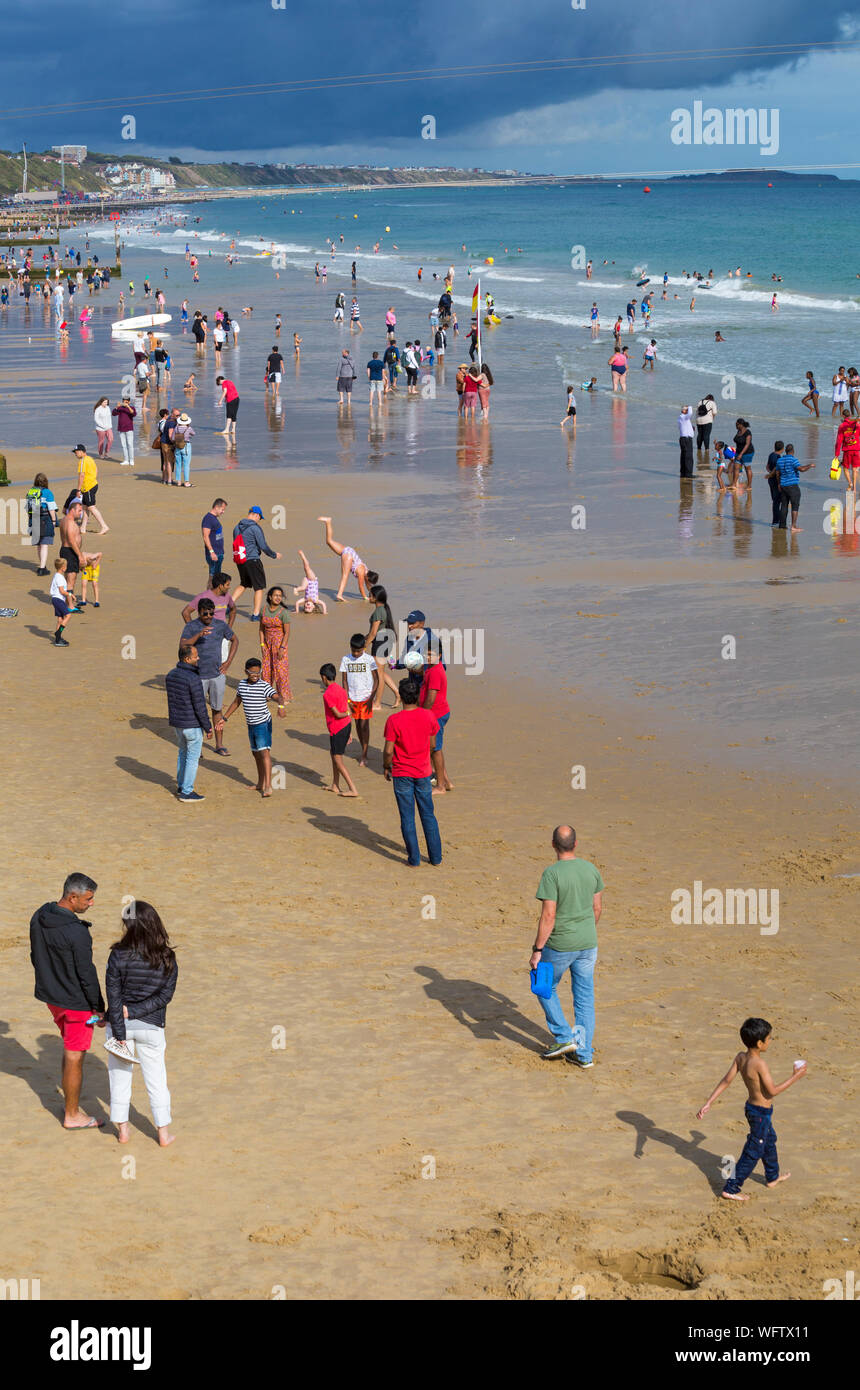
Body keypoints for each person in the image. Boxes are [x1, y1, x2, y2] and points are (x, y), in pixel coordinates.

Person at [696, 1017, 806, 1202]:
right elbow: (772, 1091)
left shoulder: (741, 1057)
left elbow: (726, 1080)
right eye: (769, 1039)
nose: (770, 1041)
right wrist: (796, 1076)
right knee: (753, 1150)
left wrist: (709, 1102)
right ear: (759, 1042)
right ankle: (731, 1188)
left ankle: (772, 1177)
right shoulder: (760, 1064)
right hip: (761, 1114)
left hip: (752, 1109)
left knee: (769, 1140)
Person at [30, 872, 107, 1128]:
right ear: (72, 897)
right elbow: (87, 974)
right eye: (88, 899)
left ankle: (70, 1107)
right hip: (76, 1005)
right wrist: (99, 1009)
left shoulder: (40, 915)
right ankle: (72, 1115)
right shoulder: (77, 933)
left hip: (52, 999)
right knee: (75, 1055)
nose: (91, 903)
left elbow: (35, 955)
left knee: (69, 1046)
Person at [105, 900, 178, 1147]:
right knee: (156, 1078)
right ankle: (163, 1134)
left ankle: (123, 1131)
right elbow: (164, 997)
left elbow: (113, 997)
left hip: (121, 1026)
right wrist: (135, 1011)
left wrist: (119, 1025)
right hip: (152, 1026)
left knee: (119, 1077)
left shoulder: (117, 955)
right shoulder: (167, 956)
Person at [529, 826, 604, 1064]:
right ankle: (583, 1054)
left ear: (553, 845)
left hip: (560, 944)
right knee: (584, 998)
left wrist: (537, 949)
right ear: (576, 843)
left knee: (543, 986)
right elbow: (597, 908)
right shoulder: (591, 869)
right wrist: (586, 932)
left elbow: (548, 916)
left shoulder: (552, 874)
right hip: (588, 943)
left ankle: (564, 1035)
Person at [383, 680, 442, 868]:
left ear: (400, 697)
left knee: (407, 817)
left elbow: (388, 750)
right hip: (423, 772)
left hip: (402, 773)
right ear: (418, 696)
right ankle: (436, 858)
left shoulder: (394, 720)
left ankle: (414, 859)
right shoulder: (428, 716)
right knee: (428, 815)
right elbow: (433, 745)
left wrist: (386, 766)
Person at [216, 657, 286, 797]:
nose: (255, 676)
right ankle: (260, 783)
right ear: (246, 672)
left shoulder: (264, 686)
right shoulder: (241, 685)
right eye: (252, 673)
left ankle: (268, 786)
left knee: (264, 752)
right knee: (255, 753)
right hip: (251, 725)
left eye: (258, 673)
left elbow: (278, 696)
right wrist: (224, 718)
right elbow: (237, 702)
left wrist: (281, 706)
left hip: (262, 723)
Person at [181, 598, 238, 755]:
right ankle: (196, 748)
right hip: (197, 676)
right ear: (199, 613)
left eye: (211, 613)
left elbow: (235, 640)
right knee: (196, 712)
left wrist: (228, 662)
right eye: (205, 613)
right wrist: (198, 635)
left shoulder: (220, 625)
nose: (208, 616)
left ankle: (219, 745)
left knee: (217, 709)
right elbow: (183, 645)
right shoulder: (191, 626)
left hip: (217, 675)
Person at [165, 643, 213, 802]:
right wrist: (208, 727)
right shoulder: (193, 678)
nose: (198, 658)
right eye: (195, 656)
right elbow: (200, 706)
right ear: (187, 659)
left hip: (178, 724)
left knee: (182, 753)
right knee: (192, 758)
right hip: (191, 725)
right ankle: (186, 791)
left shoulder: (170, 675)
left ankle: (181, 785)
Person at [320, 663, 358, 796]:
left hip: (337, 729)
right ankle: (335, 785)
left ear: (324, 678)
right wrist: (349, 731)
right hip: (345, 727)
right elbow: (344, 707)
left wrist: (348, 713)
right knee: (333, 754)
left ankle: (352, 789)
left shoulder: (327, 694)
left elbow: (338, 713)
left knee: (337, 759)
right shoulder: (341, 690)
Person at [340, 633, 379, 766]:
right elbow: (344, 680)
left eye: (358, 651)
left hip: (366, 697)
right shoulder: (345, 659)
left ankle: (364, 754)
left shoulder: (369, 660)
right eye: (353, 651)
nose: (356, 654)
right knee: (357, 723)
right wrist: (347, 699)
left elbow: (377, 680)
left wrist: (371, 699)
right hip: (352, 698)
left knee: (364, 725)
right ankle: (363, 748)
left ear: (364, 648)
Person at [318, 516, 377, 601]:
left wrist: (373, 594)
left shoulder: (367, 572)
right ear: (368, 578)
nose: (368, 583)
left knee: (329, 541)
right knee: (345, 576)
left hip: (348, 551)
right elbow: (361, 587)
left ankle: (328, 522)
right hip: (349, 556)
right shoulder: (362, 572)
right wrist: (365, 598)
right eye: (369, 581)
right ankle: (339, 595)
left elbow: (368, 586)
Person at [419, 645, 453, 794]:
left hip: (436, 715)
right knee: (433, 748)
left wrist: (422, 714)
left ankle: (440, 786)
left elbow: (431, 697)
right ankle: (447, 782)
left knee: (435, 750)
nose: (428, 657)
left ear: (439, 656)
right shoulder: (431, 668)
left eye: (431, 655)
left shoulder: (436, 672)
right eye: (426, 655)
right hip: (435, 714)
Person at [367, 584, 400, 708]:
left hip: (380, 643)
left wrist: (365, 646)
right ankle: (398, 694)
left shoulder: (378, 611)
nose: (368, 597)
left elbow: (373, 633)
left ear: (375, 597)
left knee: (378, 674)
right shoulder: (385, 609)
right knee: (381, 672)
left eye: (370, 595)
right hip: (387, 641)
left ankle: (377, 703)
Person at [259, 585, 292, 705]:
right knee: (267, 669)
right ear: (270, 597)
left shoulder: (284, 613)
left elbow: (287, 632)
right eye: (276, 595)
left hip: (280, 644)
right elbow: (261, 629)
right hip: (267, 644)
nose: (278, 598)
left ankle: (284, 696)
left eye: (280, 596)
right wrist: (262, 645)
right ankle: (267, 694)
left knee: (280, 671)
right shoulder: (263, 610)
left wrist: (282, 648)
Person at [775, 444, 814, 532]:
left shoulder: (779, 460)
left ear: (786, 451)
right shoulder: (793, 460)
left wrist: (779, 484)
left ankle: (782, 525)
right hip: (793, 486)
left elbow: (777, 473)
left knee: (784, 505)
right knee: (795, 506)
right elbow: (802, 469)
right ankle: (793, 526)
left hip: (783, 485)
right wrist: (810, 465)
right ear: (793, 451)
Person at [73, 444, 109, 534]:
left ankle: (104, 526)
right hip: (93, 485)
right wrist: (93, 478)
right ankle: (83, 528)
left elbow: (81, 475)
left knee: (91, 507)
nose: (75, 454)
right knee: (85, 507)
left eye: (76, 452)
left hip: (88, 487)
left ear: (82, 451)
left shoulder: (82, 461)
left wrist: (78, 490)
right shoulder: (90, 459)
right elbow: (96, 469)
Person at [26, 472, 58, 574]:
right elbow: (51, 508)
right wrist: (53, 521)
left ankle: (41, 565)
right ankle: (42, 568)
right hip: (45, 519)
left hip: (34, 518)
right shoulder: (48, 492)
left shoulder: (31, 491)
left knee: (39, 544)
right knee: (44, 544)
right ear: (45, 482)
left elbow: (28, 508)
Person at [50, 557, 75, 645]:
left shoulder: (56, 575)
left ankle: (58, 640)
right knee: (68, 616)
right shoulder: (60, 578)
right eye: (66, 566)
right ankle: (58, 633)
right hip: (58, 599)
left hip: (55, 599)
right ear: (63, 567)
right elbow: (62, 591)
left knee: (60, 619)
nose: (66, 567)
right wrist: (70, 595)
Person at [834, 408, 860, 496]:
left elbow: (838, 441)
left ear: (843, 416)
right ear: (850, 416)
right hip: (856, 450)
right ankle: (855, 489)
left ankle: (850, 483)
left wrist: (837, 454)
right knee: (855, 469)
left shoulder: (842, 426)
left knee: (846, 468)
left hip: (847, 451)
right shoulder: (857, 424)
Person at [294, 549, 327, 614]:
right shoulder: (316, 601)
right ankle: (303, 556)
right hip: (313, 580)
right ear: (313, 606)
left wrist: (297, 611)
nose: (307, 606)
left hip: (306, 582)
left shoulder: (305, 600)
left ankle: (296, 589)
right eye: (309, 608)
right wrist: (324, 612)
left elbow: (297, 603)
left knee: (303, 587)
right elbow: (323, 604)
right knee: (307, 568)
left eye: (305, 607)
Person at [202, 498, 227, 582]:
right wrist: (212, 552)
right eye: (222, 509)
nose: (223, 512)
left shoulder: (214, 518)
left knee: (216, 577)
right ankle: (209, 595)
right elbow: (205, 536)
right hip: (214, 554)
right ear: (216, 507)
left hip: (218, 553)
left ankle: (213, 595)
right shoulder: (208, 519)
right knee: (213, 578)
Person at [764, 441, 785, 528]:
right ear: (782, 449)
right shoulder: (778, 458)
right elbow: (777, 471)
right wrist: (779, 483)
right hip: (776, 481)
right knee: (777, 502)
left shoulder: (771, 455)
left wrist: (769, 474)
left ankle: (777, 520)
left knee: (775, 501)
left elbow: (767, 466)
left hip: (770, 481)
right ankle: (776, 521)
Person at [112, 397, 136, 466]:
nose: (125, 403)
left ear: (129, 402)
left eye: (126, 402)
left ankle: (131, 460)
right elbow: (113, 413)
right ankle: (126, 460)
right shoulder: (120, 408)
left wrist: (128, 406)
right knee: (123, 445)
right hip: (121, 429)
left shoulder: (131, 408)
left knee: (130, 445)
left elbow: (134, 414)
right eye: (124, 401)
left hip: (129, 429)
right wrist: (117, 407)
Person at [173, 413, 195, 487]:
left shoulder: (176, 428)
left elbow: (173, 438)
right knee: (186, 465)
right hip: (186, 446)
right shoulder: (188, 428)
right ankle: (186, 482)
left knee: (178, 464)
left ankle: (178, 482)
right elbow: (193, 434)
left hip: (177, 447)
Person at [678, 406, 695, 477]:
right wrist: (690, 407)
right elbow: (690, 413)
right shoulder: (683, 417)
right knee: (688, 457)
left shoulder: (681, 418)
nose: (688, 411)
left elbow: (685, 428)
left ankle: (683, 473)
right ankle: (688, 474)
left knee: (684, 456)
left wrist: (691, 428)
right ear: (684, 411)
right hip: (686, 439)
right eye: (686, 410)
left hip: (683, 438)